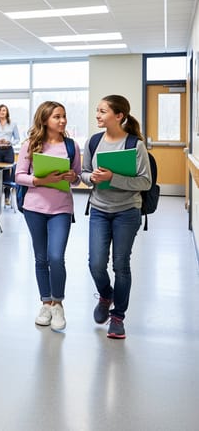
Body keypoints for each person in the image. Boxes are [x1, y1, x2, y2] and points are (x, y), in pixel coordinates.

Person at [80, 95, 152, 339]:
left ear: (119, 115)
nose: (98, 115)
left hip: (127, 211)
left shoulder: (135, 145)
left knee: (121, 265)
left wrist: (113, 178)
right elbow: (84, 173)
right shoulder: (93, 141)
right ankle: (105, 294)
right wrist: (93, 178)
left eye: (103, 111)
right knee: (96, 264)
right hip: (99, 209)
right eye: (97, 111)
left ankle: (118, 316)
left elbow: (145, 181)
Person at [15, 101, 82, 332]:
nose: (62, 121)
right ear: (44, 120)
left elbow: (78, 178)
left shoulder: (72, 146)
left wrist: (73, 176)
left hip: (61, 208)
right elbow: (19, 176)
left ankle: (58, 304)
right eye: (57, 117)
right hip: (34, 208)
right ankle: (45, 303)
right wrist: (41, 180)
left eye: (64, 116)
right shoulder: (31, 145)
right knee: (41, 258)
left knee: (56, 256)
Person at [0, 104, 20, 205]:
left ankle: (7, 197)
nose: (2, 112)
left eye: (4, 110)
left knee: (7, 174)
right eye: (1, 110)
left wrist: (10, 142)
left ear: (7, 112)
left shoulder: (13, 124)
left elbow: (17, 138)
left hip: (8, 150)